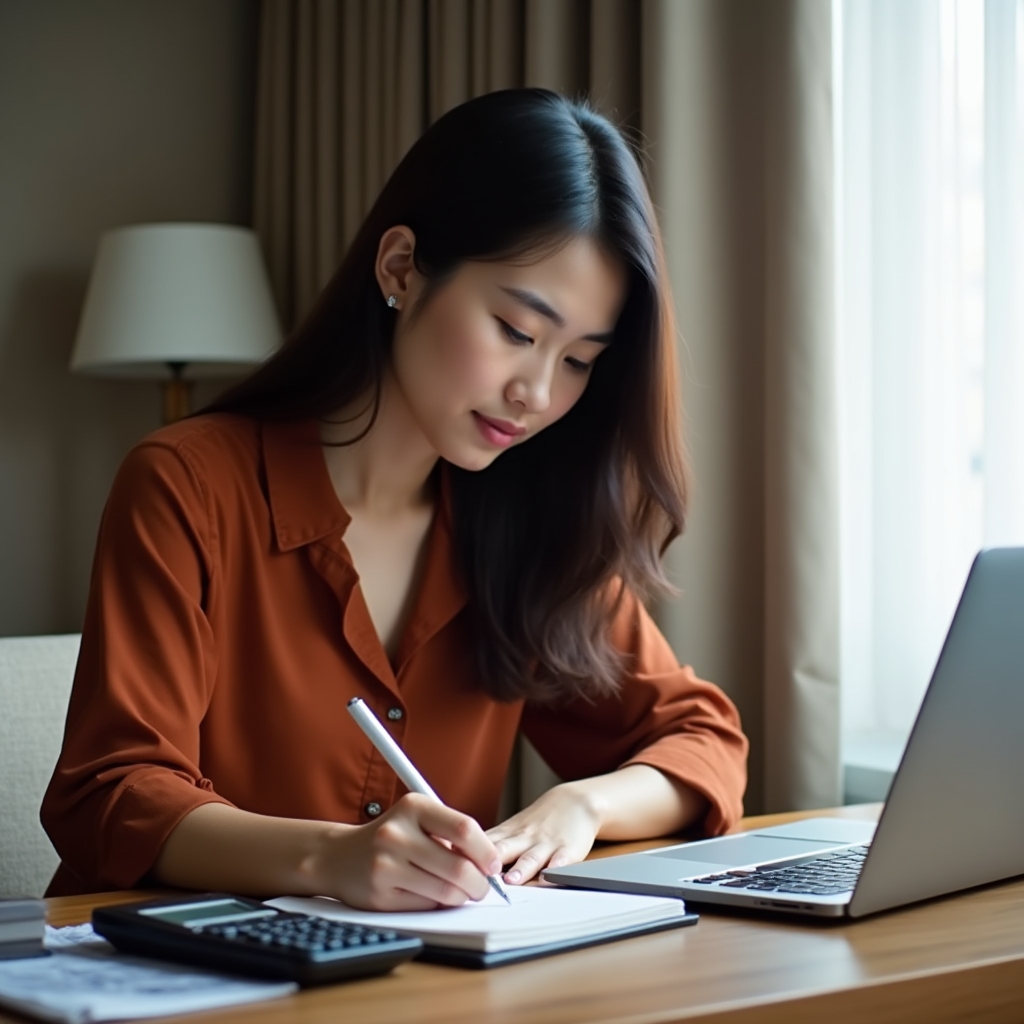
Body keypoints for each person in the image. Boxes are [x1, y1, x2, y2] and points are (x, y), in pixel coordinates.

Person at [42, 89, 748, 910]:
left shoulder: (533, 519)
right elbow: (113, 792)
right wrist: (330, 860)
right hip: (174, 981)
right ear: (402, 269)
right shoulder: (188, 486)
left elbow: (703, 738)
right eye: (517, 332)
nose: (537, 392)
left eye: (580, 360)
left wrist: (582, 805)